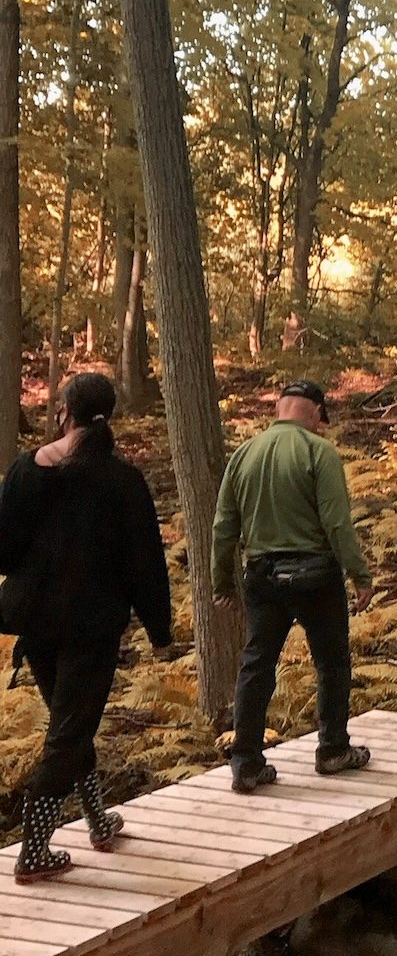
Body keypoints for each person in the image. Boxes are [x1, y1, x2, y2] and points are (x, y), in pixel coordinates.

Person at [0, 372, 172, 883]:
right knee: (70, 731)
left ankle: (97, 820)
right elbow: (145, 563)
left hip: (35, 621)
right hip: (90, 625)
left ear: (64, 413)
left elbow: (3, 551)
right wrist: (159, 630)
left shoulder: (26, 469)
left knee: (70, 725)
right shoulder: (122, 480)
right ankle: (34, 850)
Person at [212, 379, 373, 794]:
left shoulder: (244, 454)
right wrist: (360, 576)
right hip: (316, 575)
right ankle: (332, 749)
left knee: (256, 664)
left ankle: (246, 762)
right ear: (316, 412)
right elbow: (337, 523)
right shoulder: (319, 452)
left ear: (279, 408)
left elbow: (224, 527)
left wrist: (222, 582)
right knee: (332, 663)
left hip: (262, 575)